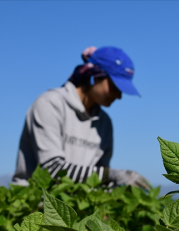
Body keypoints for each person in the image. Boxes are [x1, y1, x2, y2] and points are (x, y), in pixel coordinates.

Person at [13, 46, 151, 191]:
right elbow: (53, 169)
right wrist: (113, 175)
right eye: (114, 87)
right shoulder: (49, 105)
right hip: (34, 203)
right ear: (94, 75)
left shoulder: (104, 123)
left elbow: (97, 180)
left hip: (73, 203)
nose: (119, 96)